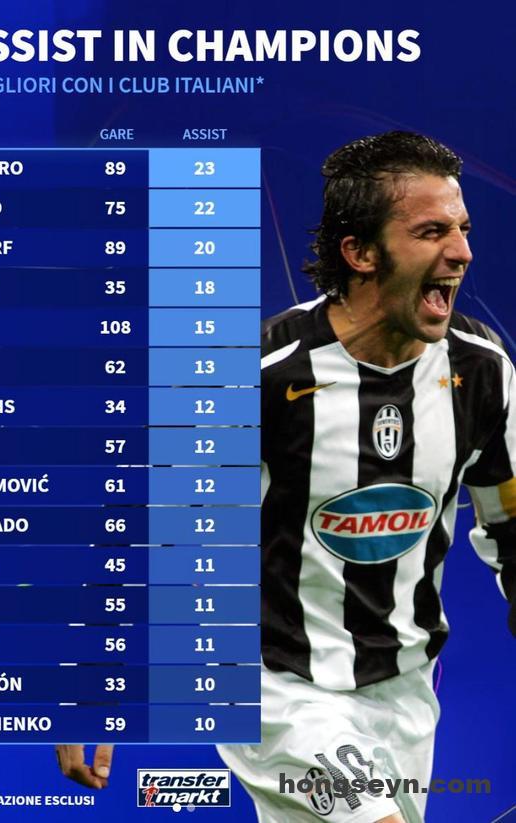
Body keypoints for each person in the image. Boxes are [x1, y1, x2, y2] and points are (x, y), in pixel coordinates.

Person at [57, 132, 516, 822]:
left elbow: (510, 524)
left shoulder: (482, 371)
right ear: (360, 253)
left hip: (406, 693)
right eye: (431, 232)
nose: (461, 252)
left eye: (463, 229)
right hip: (273, 687)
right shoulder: (259, 375)